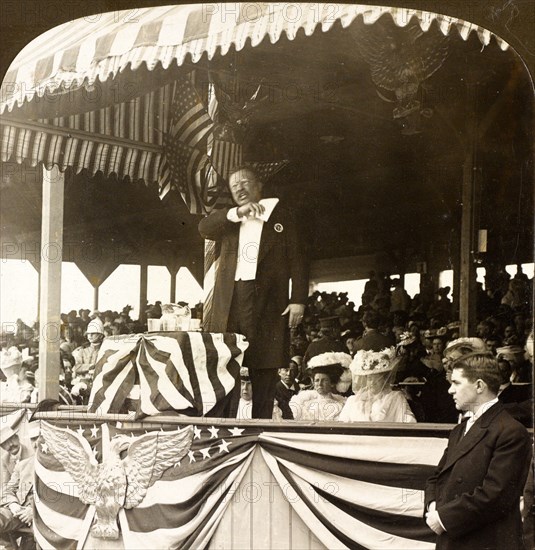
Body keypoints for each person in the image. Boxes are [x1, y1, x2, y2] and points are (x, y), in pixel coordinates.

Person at [198, 165, 309, 418]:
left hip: (268, 301)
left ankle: (260, 425)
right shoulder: (230, 220)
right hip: (231, 300)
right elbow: (204, 228)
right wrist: (236, 212)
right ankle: (225, 426)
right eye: (234, 185)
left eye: (245, 182)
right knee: (227, 364)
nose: (239, 187)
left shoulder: (283, 216)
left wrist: (298, 300)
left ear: (259, 186)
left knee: (265, 366)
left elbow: (298, 259)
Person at [424, 352, 532, 549]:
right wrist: (433, 506)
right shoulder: (460, 429)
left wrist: (443, 517)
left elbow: (495, 495)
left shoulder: (511, 432)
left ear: (480, 386)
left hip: (486, 541)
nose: (450, 390)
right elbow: (437, 477)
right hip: (454, 537)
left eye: (456, 383)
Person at [338, 347, 416, 423]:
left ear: (385, 380)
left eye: (377, 379)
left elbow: (409, 423)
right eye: (369, 378)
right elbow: (342, 426)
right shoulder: (353, 401)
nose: (372, 382)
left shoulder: (395, 398)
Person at [0, 422, 40, 550]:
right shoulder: (22, 465)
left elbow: (59, 499)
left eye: (38, 438)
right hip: (18, 511)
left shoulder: (57, 466)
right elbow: (6, 490)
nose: (36, 443)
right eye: (32, 439)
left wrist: (33, 511)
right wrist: (14, 506)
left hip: (40, 515)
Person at [289, 352, 350, 421]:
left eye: (324, 380)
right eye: (317, 380)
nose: (320, 384)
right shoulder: (306, 405)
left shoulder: (342, 404)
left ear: (332, 383)